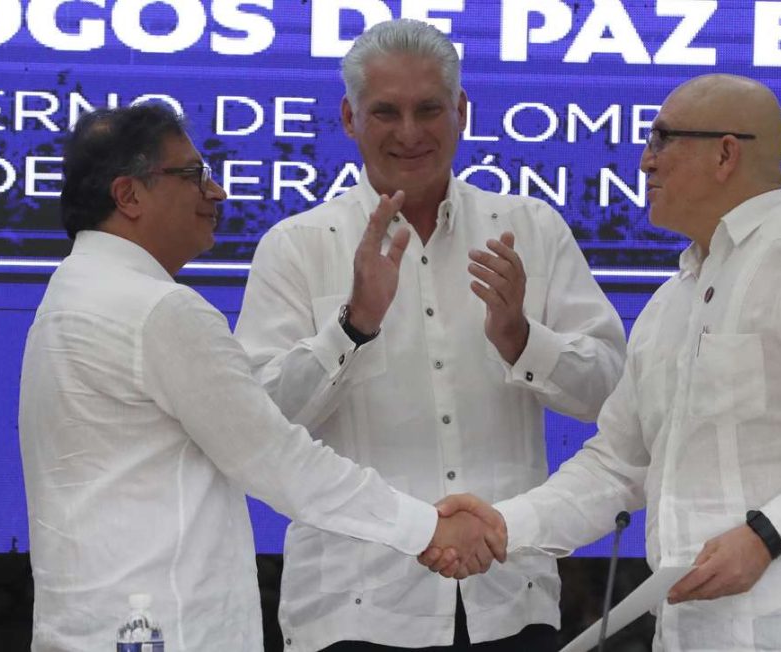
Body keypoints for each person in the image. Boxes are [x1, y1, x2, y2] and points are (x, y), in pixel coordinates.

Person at [432, 74, 781, 651]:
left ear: (726, 153)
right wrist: (503, 525)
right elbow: (617, 465)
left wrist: (767, 534)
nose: (645, 161)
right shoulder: (671, 302)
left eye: (662, 139)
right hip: (691, 632)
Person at [18, 103, 502, 652]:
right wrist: (427, 527)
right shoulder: (156, 310)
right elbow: (278, 458)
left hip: (94, 624)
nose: (217, 192)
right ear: (128, 196)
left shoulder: (72, 293)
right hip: (162, 629)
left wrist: (353, 324)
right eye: (193, 174)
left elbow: (253, 421)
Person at [234, 18, 627, 652]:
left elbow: (611, 393)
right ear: (349, 117)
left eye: (429, 109)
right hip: (356, 605)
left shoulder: (529, 228)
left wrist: (523, 339)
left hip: (510, 595)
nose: (410, 132)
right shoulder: (298, 246)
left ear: (462, 111)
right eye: (386, 111)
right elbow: (258, 423)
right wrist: (352, 324)